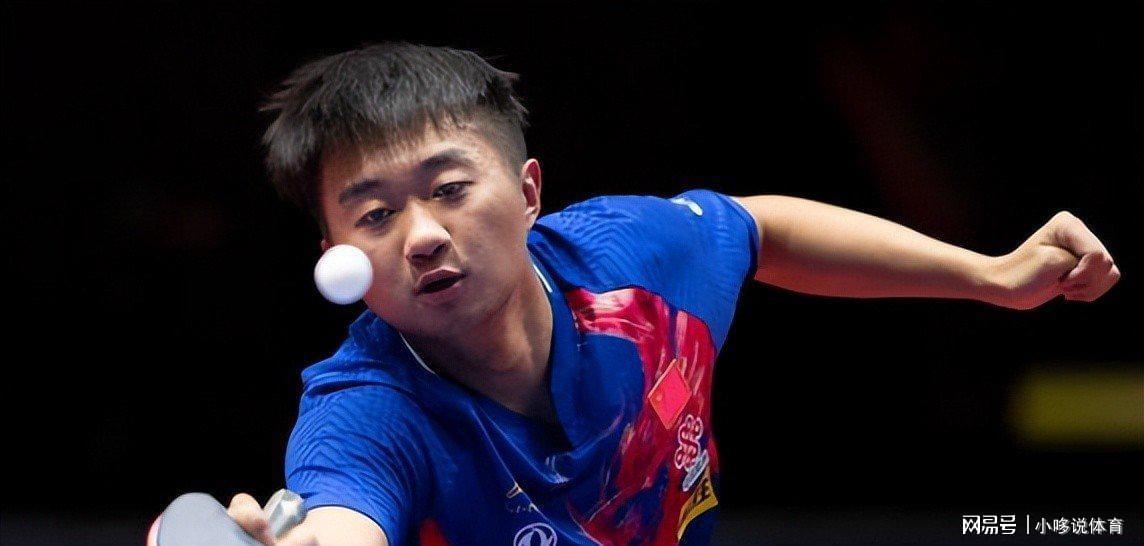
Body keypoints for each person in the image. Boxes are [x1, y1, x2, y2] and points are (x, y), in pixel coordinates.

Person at [150, 42, 1119, 546]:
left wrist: (987, 276)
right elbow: (342, 521)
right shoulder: (365, 412)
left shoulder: (630, 264)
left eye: (448, 188)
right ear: (338, 256)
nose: (423, 234)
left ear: (528, 192)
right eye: (374, 215)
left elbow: (759, 230)